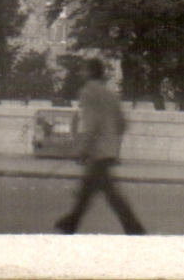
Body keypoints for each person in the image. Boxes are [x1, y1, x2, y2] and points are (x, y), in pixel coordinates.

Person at [55, 58, 145, 235]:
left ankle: (134, 228)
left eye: (84, 70)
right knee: (93, 190)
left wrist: (81, 149)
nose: (81, 73)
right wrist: (112, 141)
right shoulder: (111, 94)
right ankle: (71, 222)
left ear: (89, 72)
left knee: (107, 194)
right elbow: (122, 124)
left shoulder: (88, 92)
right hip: (109, 150)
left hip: (97, 151)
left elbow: (91, 125)